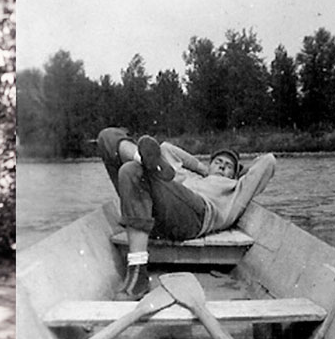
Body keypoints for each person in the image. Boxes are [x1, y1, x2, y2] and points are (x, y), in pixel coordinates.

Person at [97, 127, 276, 301]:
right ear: (209, 165)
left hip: (195, 216)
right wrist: (201, 168)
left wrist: (240, 174)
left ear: (235, 174)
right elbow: (167, 148)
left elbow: (269, 161)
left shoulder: (236, 189)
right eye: (218, 162)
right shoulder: (189, 176)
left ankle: (138, 273)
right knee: (107, 137)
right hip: (155, 214)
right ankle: (142, 159)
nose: (222, 166)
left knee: (130, 170)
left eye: (228, 166)